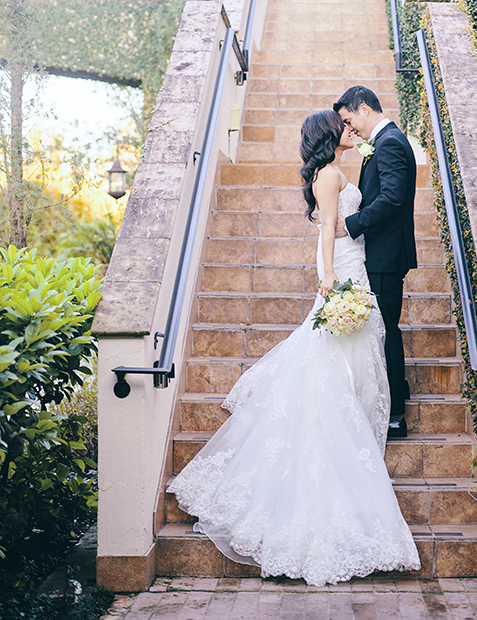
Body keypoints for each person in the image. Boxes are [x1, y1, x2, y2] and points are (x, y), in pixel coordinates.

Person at [167, 109, 420, 586]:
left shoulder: (339, 170)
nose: (350, 129)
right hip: (344, 269)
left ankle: (355, 421)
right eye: (341, 125)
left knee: (357, 352)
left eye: (351, 123)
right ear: (329, 135)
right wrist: (328, 279)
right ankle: (340, 429)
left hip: (357, 265)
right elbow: (327, 229)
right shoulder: (329, 175)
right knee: (335, 355)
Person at [333, 87, 417, 440]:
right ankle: (397, 386)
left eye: (350, 120)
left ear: (364, 108)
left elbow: (393, 198)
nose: (350, 129)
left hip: (385, 255)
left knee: (386, 331)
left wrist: (351, 224)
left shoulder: (391, 143)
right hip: (381, 252)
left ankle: (395, 413)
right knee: (382, 328)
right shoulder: (384, 143)